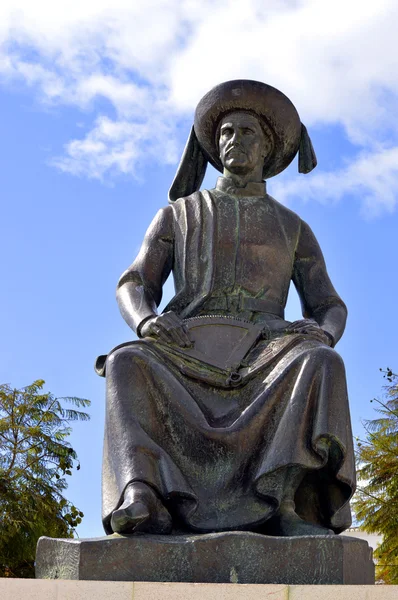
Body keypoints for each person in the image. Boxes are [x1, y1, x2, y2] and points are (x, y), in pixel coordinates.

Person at [96, 80, 355, 537]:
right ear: (215, 146)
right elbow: (134, 282)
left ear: (268, 148)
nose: (236, 140)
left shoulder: (293, 227)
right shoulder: (177, 214)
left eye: (248, 132)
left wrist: (323, 332)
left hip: (266, 353)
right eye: (227, 132)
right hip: (187, 347)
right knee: (125, 361)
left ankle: (285, 504)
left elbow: (329, 303)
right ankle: (142, 492)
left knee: (320, 360)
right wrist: (147, 320)